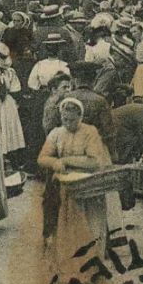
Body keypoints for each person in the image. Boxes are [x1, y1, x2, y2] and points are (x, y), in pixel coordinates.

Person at [36, 96, 113, 256]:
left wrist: (65, 160)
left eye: (72, 120)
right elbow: (42, 158)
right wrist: (54, 163)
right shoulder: (56, 133)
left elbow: (94, 162)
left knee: (91, 225)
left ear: (80, 117)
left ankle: (92, 261)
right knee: (67, 225)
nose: (68, 123)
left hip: (89, 187)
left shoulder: (90, 132)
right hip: (66, 187)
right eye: (64, 119)